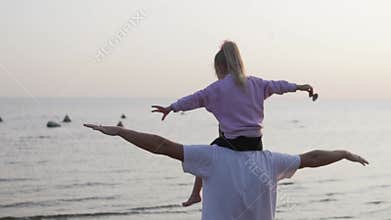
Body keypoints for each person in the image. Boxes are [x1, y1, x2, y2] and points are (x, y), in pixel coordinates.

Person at [151, 40, 318, 206]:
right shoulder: (256, 83)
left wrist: (171, 107)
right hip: (255, 143)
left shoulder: (217, 89)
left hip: (233, 143)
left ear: (219, 67)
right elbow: (278, 86)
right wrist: (298, 87)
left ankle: (196, 194)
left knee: (207, 154)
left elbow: (194, 99)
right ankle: (203, 194)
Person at [84, 124, 368, 220]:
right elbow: (313, 157)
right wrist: (344, 153)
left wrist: (120, 132)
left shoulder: (210, 158)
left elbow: (160, 145)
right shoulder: (271, 161)